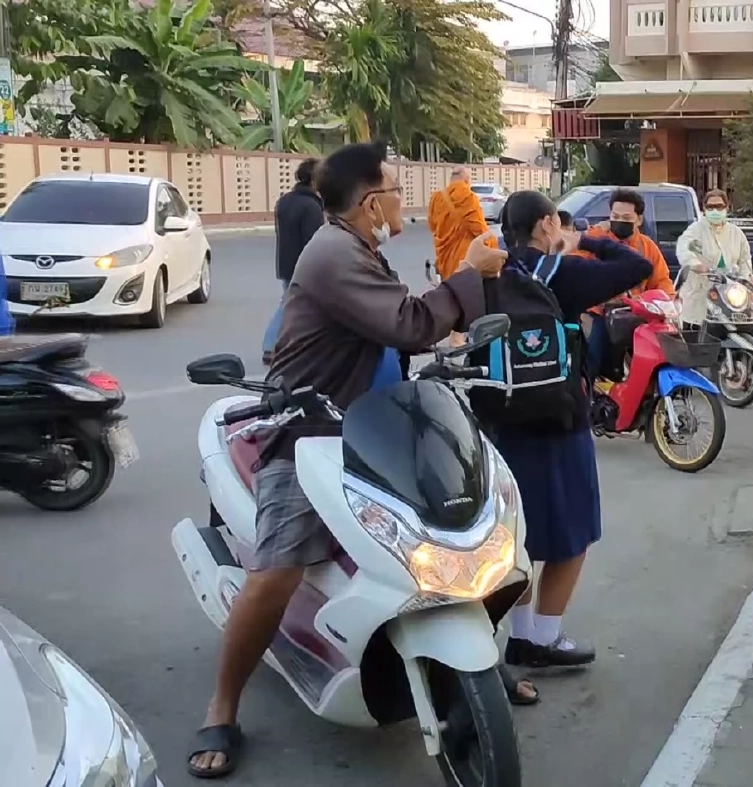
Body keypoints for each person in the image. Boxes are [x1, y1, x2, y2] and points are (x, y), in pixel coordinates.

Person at [186, 142, 508, 780]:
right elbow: (408, 323)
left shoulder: (361, 250)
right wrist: (467, 271)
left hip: (363, 426)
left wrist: (451, 338)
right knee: (278, 570)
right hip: (304, 431)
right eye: (393, 190)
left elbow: (403, 332)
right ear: (369, 202)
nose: (401, 202)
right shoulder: (335, 254)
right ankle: (221, 705)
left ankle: (461, 665)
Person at [490, 190, 652, 673]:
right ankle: (544, 636)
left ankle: (519, 637)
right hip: (560, 417)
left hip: (502, 418)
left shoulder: (490, 272)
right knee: (572, 533)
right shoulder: (562, 274)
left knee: (517, 534)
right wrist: (585, 238)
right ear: (545, 225)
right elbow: (635, 266)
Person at [577, 188, 675, 377]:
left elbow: (662, 280)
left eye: (626, 217)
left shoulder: (647, 247)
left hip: (638, 314)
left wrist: (668, 302)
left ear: (639, 220)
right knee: (593, 358)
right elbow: (575, 263)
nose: (619, 221)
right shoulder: (596, 240)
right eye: (615, 216)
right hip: (601, 313)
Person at [429, 166, 499, 347]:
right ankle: (459, 336)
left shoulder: (437, 198)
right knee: (468, 293)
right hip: (464, 253)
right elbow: (479, 229)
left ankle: (455, 334)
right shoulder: (467, 196)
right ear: (466, 180)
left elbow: (432, 225)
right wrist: (493, 249)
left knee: (453, 291)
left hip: (445, 253)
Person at [262, 158, 323, 366]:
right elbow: (313, 241)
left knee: (292, 303)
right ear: (314, 181)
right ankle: (270, 345)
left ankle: (294, 346)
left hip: (286, 262)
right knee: (290, 305)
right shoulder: (311, 206)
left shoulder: (286, 200)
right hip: (303, 266)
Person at [677, 188, 752, 329]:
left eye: (719, 206)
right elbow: (684, 249)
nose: (715, 211)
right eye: (710, 207)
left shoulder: (736, 233)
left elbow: (745, 260)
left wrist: (744, 280)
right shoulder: (696, 230)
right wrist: (697, 265)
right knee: (696, 339)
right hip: (699, 297)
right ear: (704, 209)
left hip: (729, 297)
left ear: (726, 208)